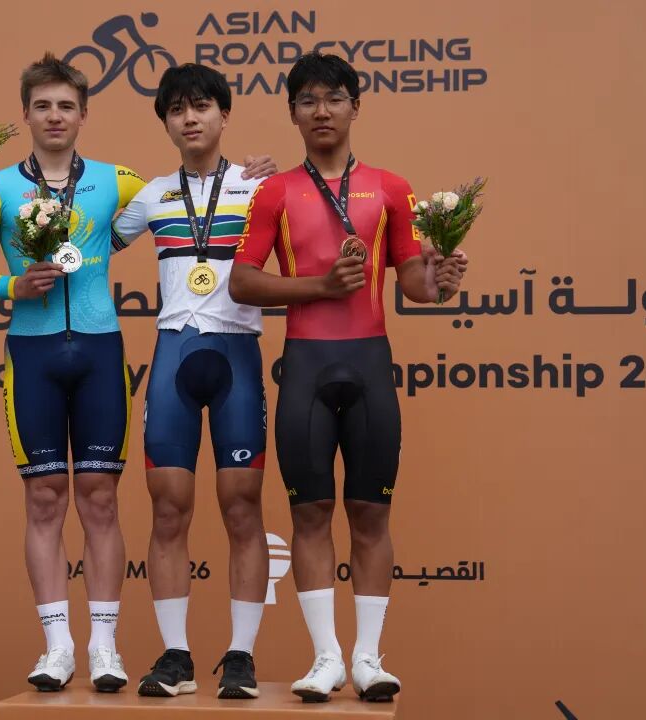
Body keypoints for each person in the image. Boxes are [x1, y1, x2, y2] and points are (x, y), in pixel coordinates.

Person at [229, 52, 468, 703]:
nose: (322, 111)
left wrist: (440, 280)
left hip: (369, 365)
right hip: (306, 366)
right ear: (293, 113)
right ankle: (326, 658)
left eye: (334, 98)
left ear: (355, 107)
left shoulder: (391, 188)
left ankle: (367, 658)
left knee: (371, 511)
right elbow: (242, 280)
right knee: (309, 513)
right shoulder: (276, 192)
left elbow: (414, 283)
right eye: (308, 100)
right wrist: (319, 285)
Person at [0, 53, 146, 694]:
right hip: (32, 354)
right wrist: (12, 284)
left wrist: (244, 177)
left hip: (98, 350)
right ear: (26, 115)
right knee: (43, 498)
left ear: (84, 114)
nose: (54, 116)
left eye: (66, 106)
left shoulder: (116, 180)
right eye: (42, 106)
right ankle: (57, 648)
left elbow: (180, 198)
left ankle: (104, 648)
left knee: (100, 498)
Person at [112, 64, 274, 700]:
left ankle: (241, 657)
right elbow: (85, 246)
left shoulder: (259, 187)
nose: (190, 118)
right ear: (166, 123)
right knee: (168, 508)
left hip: (236, 354)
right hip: (174, 354)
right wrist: (23, 224)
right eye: (177, 110)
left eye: (202, 106)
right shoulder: (152, 195)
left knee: (242, 507)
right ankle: (176, 656)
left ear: (224, 115)